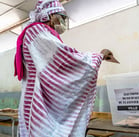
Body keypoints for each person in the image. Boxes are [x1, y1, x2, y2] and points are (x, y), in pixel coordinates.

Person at [14, 0, 119, 136]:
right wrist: (99, 56)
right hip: (37, 101)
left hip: (39, 98)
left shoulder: (42, 33)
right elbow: (66, 59)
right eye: (61, 17)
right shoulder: (37, 31)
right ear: (49, 16)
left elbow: (58, 64)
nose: (63, 21)